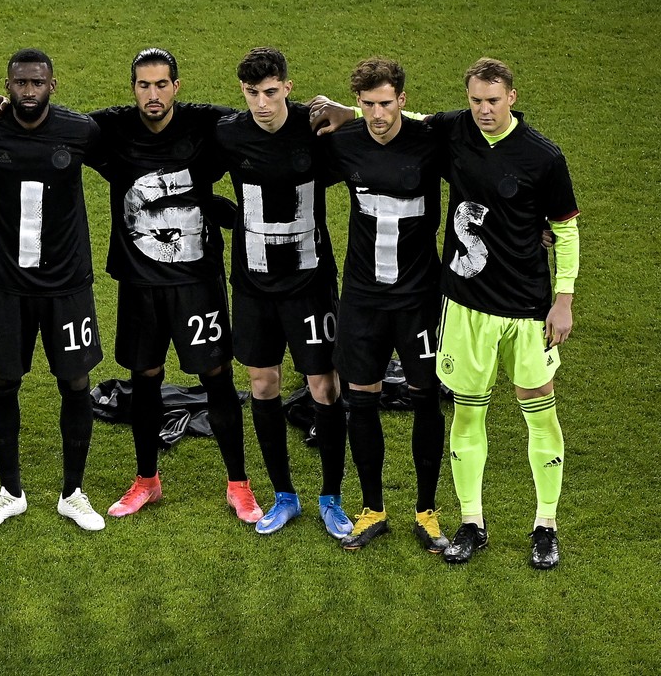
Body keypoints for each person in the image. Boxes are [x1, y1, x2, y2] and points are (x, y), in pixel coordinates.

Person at [82, 48, 262, 524]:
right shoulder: (113, 127)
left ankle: (239, 485)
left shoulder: (207, 125)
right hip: (139, 283)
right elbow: (56, 127)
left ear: (177, 87)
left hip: (196, 282)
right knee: (144, 378)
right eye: (144, 85)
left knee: (216, 376)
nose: (153, 94)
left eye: (162, 84)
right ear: (133, 89)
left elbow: (265, 122)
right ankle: (147, 481)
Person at [431, 59, 579, 569]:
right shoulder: (455, 131)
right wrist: (344, 112)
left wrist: (563, 299)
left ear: (512, 97)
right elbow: (400, 124)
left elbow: (565, 229)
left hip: (527, 308)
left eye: (492, 100)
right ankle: (471, 521)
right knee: (468, 410)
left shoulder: (543, 157)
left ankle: (545, 525)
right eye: (475, 100)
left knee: (538, 407)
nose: (483, 110)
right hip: (467, 307)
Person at [0, 49, 106, 531]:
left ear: (52, 86)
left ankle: (73, 493)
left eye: (36, 83)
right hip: (7, 286)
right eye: (19, 83)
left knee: (75, 381)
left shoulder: (79, 131)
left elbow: (125, 163)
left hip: (67, 286)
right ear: (7, 84)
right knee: (2, 381)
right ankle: (9, 492)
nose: (27, 91)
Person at [214, 47, 351, 538]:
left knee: (324, 387)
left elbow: (378, 144)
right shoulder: (229, 134)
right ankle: (284, 497)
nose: (262, 103)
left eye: (271, 92)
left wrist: (349, 110)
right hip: (252, 287)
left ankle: (331, 499)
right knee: (263, 385)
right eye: (252, 94)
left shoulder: (316, 131)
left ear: (288, 88)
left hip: (310, 285)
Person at [320, 58, 449, 551]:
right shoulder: (343, 143)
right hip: (362, 299)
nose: (377, 114)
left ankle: (427, 511)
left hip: (418, 298)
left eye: (385, 103)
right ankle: (372, 508)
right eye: (367, 105)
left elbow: (480, 174)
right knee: (362, 398)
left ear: (403, 100)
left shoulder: (431, 142)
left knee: (424, 398)